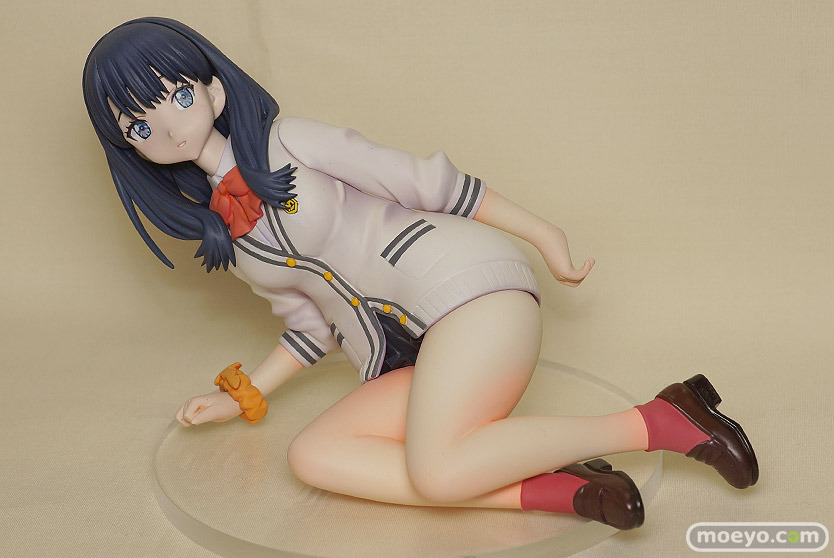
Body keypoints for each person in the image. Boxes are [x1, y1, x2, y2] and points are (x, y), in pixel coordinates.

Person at [83, 17, 758, 530]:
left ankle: (657, 421)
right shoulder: (229, 235)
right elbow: (310, 327)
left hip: (468, 290)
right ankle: (566, 488)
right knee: (315, 455)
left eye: (174, 95)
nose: (166, 128)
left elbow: (422, 181)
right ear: (129, 149)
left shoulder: (293, 141)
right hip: (407, 356)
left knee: (435, 470)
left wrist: (541, 232)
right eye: (138, 126)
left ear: (212, 87)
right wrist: (244, 395)